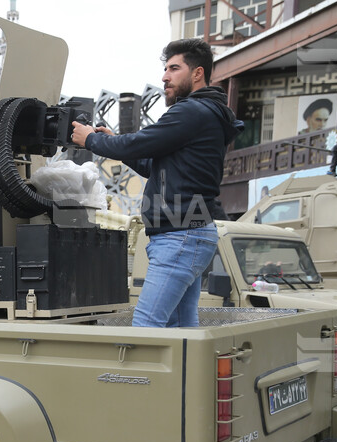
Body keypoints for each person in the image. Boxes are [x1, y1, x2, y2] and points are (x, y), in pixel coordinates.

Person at [71, 38, 244, 328]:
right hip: (190, 232)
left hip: (181, 235)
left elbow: (139, 143)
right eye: (165, 69)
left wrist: (91, 139)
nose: (165, 77)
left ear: (198, 73)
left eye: (174, 68)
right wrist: (112, 141)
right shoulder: (206, 116)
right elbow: (151, 164)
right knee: (180, 327)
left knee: (147, 326)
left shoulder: (191, 111)